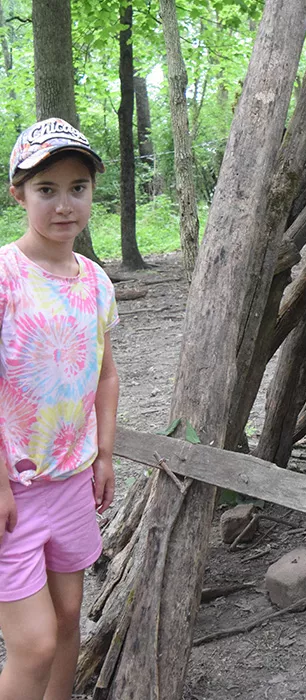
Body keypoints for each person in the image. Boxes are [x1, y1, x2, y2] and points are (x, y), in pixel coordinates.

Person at [0, 118, 119, 700]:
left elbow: (105, 372)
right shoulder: (4, 275)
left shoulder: (95, 281)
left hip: (72, 481)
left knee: (69, 617)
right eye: (46, 189)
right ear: (18, 193)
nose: (64, 204)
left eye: (78, 187)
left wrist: (105, 456)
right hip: (13, 492)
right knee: (34, 643)